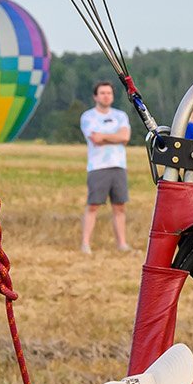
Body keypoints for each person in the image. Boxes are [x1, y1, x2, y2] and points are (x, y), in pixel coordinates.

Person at [78, 79, 131, 254]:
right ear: (95, 96)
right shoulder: (88, 116)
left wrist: (105, 136)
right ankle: (86, 243)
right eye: (102, 93)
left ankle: (121, 243)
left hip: (118, 165)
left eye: (109, 93)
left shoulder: (120, 115)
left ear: (113, 96)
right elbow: (95, 139)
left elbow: (125, 137)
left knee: (119, 206)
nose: (106, 96)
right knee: (93, 205)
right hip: (98, 166)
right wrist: (114, 136)